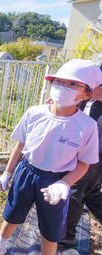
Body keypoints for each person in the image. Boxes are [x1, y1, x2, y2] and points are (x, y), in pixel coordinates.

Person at [0, 59, 102, 255]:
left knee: (51, 228)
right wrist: (7, 172)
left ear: (87, 92)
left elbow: (84, 164)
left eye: (73, 84)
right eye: (59, 81)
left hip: (55, 179)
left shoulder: (87, 126)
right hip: (27, 171)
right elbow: (20, 145)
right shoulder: (34, 113)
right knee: (13, 212)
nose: (63, 87)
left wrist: (65, 183)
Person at [60, 67, 102, 247]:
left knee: (76, 188)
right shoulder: (90, 93)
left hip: (96, 153)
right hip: (85, 147)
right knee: (91, 192)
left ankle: (66, 234)